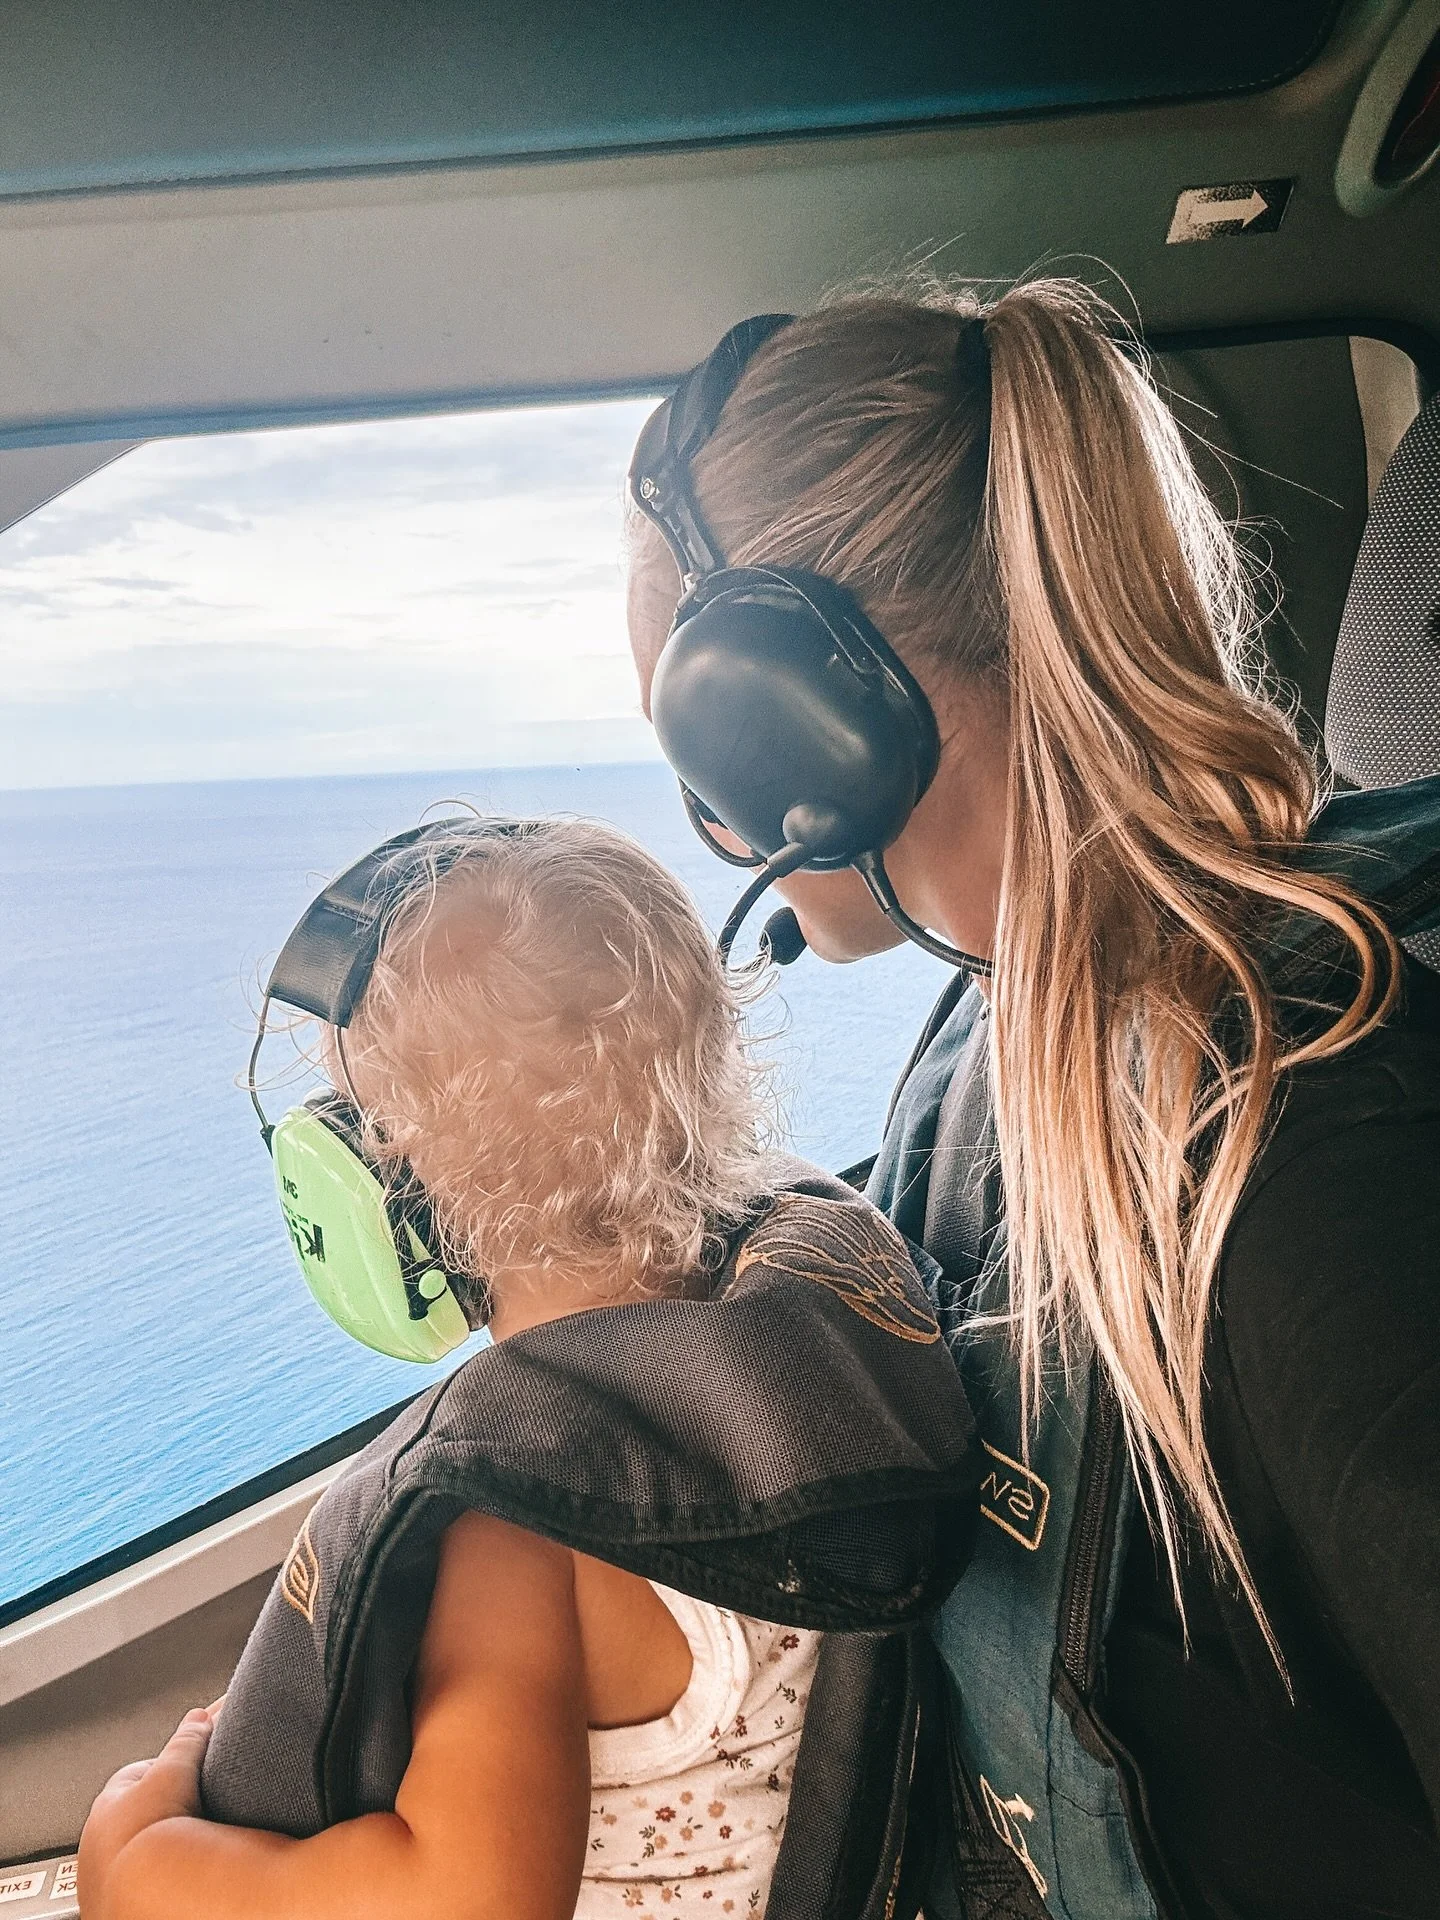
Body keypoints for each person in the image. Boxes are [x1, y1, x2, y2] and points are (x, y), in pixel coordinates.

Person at [624, 279, 1440, 1918]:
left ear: (814, 718)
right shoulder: (991, 1034)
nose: (708, 824)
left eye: (694, 751)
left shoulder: (1297, 1158)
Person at [77, 817, 976, 1920]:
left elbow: (465, 1900)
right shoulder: (777, 1375)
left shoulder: (523, 1516)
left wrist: (141, 1863)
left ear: (393, 1191)